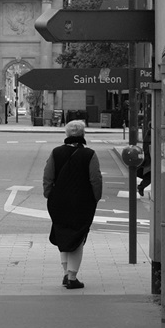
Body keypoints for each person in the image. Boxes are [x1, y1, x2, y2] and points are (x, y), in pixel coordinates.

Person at [42, 120, 102, 289]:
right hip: (82, 202)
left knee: (63, 234)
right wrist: (95, 198)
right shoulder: (89, 154)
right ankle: (72, 277)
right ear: (83, 134)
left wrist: (49, 194)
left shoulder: (56, 152)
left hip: (58, 201)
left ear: (67, 134)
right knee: (78, 236)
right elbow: (95, 179)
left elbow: (48, 176)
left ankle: (65, 273)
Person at [137, 122, 152, 196]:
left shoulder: (148, 134)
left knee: (149, 175)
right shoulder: (152, 135)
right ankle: (141, 186)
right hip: (150, 159)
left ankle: (141, 186)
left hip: (147, 158)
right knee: (150, 176)